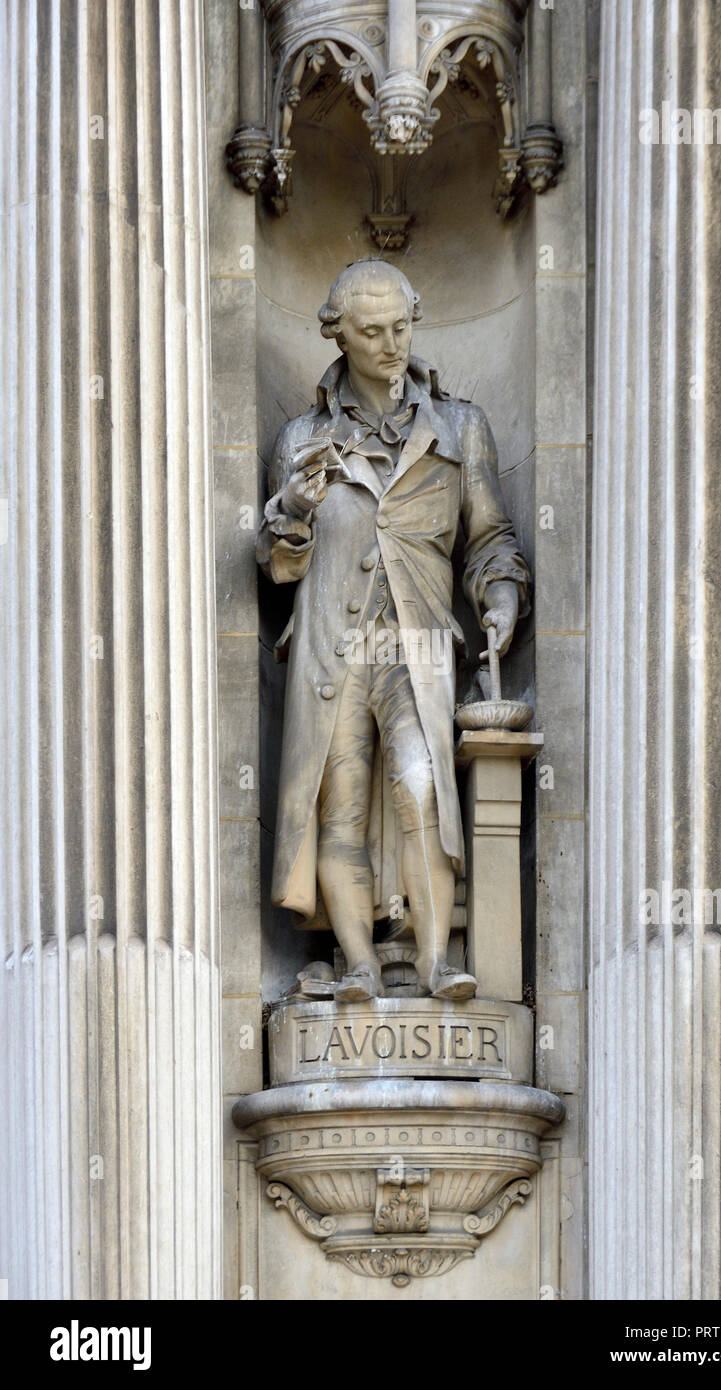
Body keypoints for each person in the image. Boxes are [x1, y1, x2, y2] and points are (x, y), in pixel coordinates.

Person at [256, 260, 529, 1001]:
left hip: (416, 644)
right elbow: (278, 568)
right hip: (328, 651)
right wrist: (294, 512)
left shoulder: (459, 426)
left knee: (421, 788)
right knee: (337, 803)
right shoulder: (302, 438)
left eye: (400, 327)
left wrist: (500, 592)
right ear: (336, 335)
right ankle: (358, 966)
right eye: (370, 332)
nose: (389, 344)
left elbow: (490, 538)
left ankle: (440, 962)